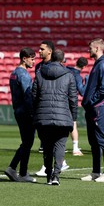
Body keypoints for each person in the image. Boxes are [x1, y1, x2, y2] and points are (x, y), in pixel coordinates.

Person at [32, 49, 78, 185]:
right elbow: (73, 99)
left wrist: (36, 113)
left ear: (51, 57)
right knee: (60, 146)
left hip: (43, 117)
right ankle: (56, 176)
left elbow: (34, 95)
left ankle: (48, 175)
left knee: (46, 147)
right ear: (63, 60)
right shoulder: (69, 75)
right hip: (63, 117)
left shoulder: (40, 73)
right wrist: (73, 117)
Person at [81, 38, 104, 182]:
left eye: (90, 48)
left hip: (98, 107)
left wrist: (92, 102)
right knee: (93, 141)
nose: (89, 51)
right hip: (92, 108)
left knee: (102, 139)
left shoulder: (103, 65)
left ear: (97, 48)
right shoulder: (98, 64)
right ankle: (96, 172)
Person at [4, 47, 37, 183]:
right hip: (26, 112)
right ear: (24, 59)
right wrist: (33, 112)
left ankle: (22, 172)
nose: (34, 62)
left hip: (18, 110)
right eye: (32, 59)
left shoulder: (14, 73)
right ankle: (15, 168)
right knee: (28, 142)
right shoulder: (23, 75)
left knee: (26, 142)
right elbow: (28, 96)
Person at [66, 56, 89, 156]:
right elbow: (82, 92)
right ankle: (75, 149)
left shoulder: (66, 70)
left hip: (60, 99)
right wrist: (87, 82)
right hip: (71, 100)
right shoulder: (78, 76)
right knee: (73, 123)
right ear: (84, 67)